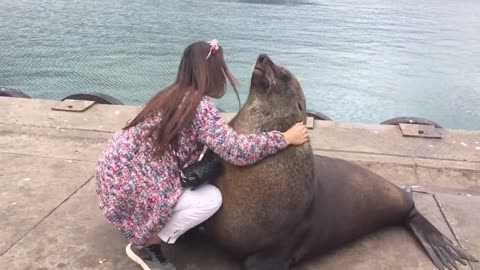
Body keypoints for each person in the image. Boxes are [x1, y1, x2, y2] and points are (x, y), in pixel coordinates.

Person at [95, 39, 308, 270]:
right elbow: (236, 151)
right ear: (213, 72)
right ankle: (146, 245)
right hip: (134, 188)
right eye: (222, 68)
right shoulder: (200, 106)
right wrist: (285, 138)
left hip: (111, 183)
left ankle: (144, 222)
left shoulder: (170, 94)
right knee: (210, 199)